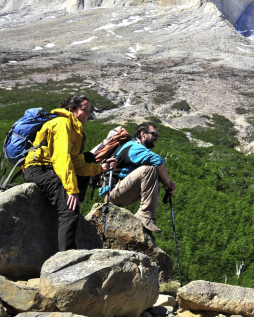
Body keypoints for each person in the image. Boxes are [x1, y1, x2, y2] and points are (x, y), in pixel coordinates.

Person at [23, 95, 116, 251]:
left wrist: (99, 169)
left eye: (90, 110)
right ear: (71, 110)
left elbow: (76, 162)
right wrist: (71, 191)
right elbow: (62, 160)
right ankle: (65, 262)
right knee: (69, 210)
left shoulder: (74, 127)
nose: (88, 113)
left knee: (89, 157)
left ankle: (72, 212)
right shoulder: (62, 124)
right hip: (38, 169)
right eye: (84, 110)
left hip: (49, 168)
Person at [102, 122, 176, 233]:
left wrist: (166, 181)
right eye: (154, 134)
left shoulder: (136, 147)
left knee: (153, 169)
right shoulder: (134, 147)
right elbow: (158, 160)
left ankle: (146, 216)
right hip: (111, 193)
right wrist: (167, 184)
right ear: (143, 134)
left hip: (118, 191)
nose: (157, 138)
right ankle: (145, 216)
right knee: (150, 169)